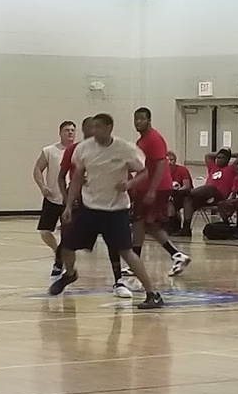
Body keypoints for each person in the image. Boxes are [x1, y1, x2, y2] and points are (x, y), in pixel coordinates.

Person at [50, 112, 164, 309]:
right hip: (91, 208)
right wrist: (69, 205)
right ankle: (70, 274)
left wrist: (129, 184)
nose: (94, 131)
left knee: (127, 252)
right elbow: (77, 177)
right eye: (93, 127)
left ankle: (152, 294)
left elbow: (145, 172)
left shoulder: (125, 148)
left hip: (116, 210)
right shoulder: (84, 149)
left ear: (109, 128)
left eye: (99, 127)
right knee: (67, 246)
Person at [128, 107, 190, 276]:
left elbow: (161, 165)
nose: (138, 122)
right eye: (136, 119)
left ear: (149, 120)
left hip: (157, 188)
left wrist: (152, 190)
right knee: (144, 223)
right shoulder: (141, 141)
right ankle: (175, 255)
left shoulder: (154, 139)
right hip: (145, 187)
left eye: (141, 118)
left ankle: (173, 255)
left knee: (144, 222)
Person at [32, 120, 76, 279]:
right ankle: (57, 251)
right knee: (45, 231)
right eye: (67, 130)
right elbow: (37, 169)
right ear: (60, 133)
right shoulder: (49, 151)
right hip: (52, 198)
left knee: (67, 234)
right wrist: (42, 186)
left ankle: (60, 264)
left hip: (69, 200)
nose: (70, 132)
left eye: (72, 130)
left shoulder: (79, 151)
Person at [181, 147, 238, 235]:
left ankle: (187, 192)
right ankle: (186, 228)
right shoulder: (213, 167)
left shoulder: (231, 168)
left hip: (219, 197)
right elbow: (208, 156)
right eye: (218, 158)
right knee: (188, 199)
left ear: (227, 159)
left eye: (222, 158)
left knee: (210, 187)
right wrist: (220, 153)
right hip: (205, 196)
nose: (219, 160)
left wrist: (229, 153)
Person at [166, 150, 192, 233]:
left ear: (175, 161)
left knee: (172, 198)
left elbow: (187, 186)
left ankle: (185, 227)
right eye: (167, 160)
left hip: (183, 194)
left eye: (172, 160)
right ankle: (171, 224)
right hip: (168, 195)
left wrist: (177, 190)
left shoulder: (182, 170)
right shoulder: (162, 172)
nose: (170, 162)